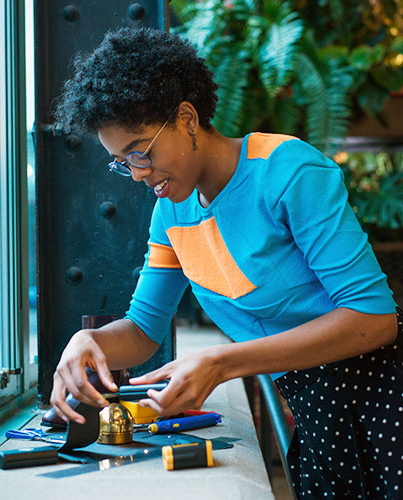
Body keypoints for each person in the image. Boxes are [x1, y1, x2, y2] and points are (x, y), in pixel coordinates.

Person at [51, 27, 403, 499]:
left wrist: (221, 362)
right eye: (122, 162)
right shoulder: (170, 213)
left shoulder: (289, 171)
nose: (137, 174)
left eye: (141, 151)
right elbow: (141, 331)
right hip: (318, 411)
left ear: (187, 118)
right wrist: (86, 342)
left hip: (385, 392)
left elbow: (374, 318)